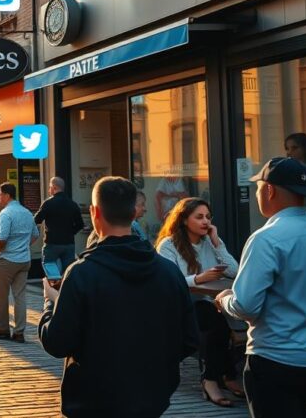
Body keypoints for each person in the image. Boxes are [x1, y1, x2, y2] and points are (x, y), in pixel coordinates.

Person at [39, 177, 198, 418]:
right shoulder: (168, 271)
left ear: (94, 213)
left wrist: (51, 302)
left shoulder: (82, 273)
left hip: (93, 403)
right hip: (150, 400)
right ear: (135, 211)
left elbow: (57, 342)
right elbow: (189, 340)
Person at [216, 157, 306, 418]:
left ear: (269, 190)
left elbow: (246, 305)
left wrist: (225, 299)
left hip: (274, 357)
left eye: (259, 187)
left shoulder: (267, 238)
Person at [154, 198, 242, 407]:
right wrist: (199, 278)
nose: (205, 222)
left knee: (217, 318)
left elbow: (235, 271)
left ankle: (224, 375)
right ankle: (213, 379)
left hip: (208, 302)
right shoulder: (169, 244)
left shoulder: (209, 243)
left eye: (208, 217)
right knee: (214, 320)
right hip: (176, 307)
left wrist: (217, 242)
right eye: (199, 217)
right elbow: (167, 282)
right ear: (184, 220)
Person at [0, 182, 40, 342]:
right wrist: (23, 246)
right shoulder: (27, 212)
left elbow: (2, 238)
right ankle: (19, 332)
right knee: (20, 296)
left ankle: (3, 328)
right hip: (24, 260)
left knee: (1, 295)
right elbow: (36, 234)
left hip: (7, 260)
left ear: (7, 195)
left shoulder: (6, 213)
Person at [34, 177, 84, 272]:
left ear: (54, 187)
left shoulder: (48, 203)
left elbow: (37, 220)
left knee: (51, 272)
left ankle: (53, 286)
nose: (49, 190)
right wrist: (70, 232)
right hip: (68, 243)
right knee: (68, 273)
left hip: (52, 243)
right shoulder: (72, 204)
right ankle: (65, 286)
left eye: (50, 187)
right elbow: (80, 224)